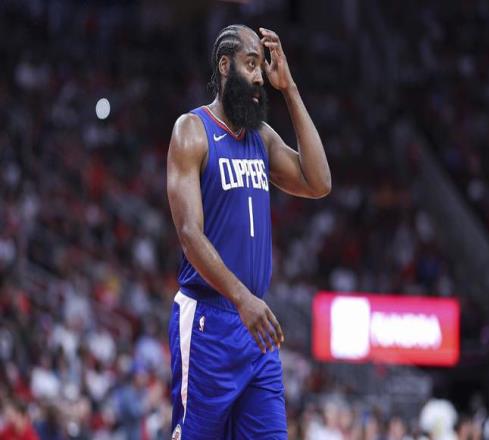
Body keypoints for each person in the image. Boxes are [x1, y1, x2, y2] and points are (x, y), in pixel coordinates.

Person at [167, 24, 331, 439]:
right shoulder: (192, 130)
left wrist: (289, 88)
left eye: (262, 67)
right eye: (251, 64)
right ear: (225, 66)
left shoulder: (261, 137)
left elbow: (319, 182)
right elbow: (189, 234)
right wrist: (241, 298)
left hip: (256, 328)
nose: (259, 76)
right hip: (209, 321)